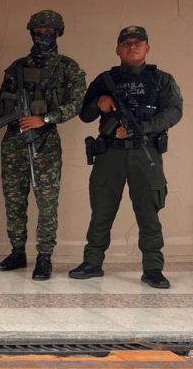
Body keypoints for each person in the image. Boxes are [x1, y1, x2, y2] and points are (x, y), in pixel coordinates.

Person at [69, 26, 183, 289]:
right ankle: (92, 262)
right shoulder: (105, 80)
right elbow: (85, 115)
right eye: (126, 43)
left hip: (145, 152)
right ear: (118, 49)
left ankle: (153, 268)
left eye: (138, 43)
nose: (132, 47)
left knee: (148, 212)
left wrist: (142, 128)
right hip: (110, 153)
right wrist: (99, 102)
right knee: (102, 209)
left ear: (147, 48)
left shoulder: (161, 80)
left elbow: (174, 112)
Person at [0, 10, 86, 280]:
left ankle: (44, 256)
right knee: (14, 199)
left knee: (47, 202)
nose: (42, 35)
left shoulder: (67, 67)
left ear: (58, 32)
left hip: (45, 143)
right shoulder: (16, 68)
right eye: (37, 30)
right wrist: (10, 111)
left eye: (48, 30)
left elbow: (76, 104)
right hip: (14, 142)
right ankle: (17, 251)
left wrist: (44, 118)